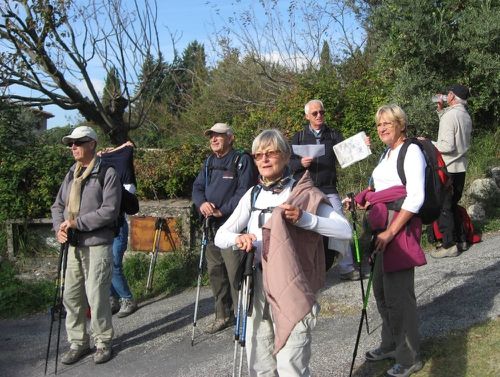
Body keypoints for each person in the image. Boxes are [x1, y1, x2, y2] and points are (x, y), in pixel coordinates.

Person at [215, 129, 352, 376]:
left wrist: (305, 218)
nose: (264, 160)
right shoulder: (253, 194)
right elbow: (220, 236)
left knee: (291, 364)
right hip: (256, 283)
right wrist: (240, 238)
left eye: (271, 153)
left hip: (292, 284)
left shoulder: (301, 193)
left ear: (286, 155)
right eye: (258, 155)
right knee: (259, 363)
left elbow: (344, 230)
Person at [351, 105, 426, 377]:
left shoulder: (411, 151)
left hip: (398, 228)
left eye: (388, 123)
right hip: (382, 227)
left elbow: (415, 197)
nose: (382, 128)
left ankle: (409, 358)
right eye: (379, 124)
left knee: (399, 296)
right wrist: (362, 199)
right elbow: (379, 189)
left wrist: (391, 232)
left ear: (401, 124)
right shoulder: (387, 153)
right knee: (382, 292)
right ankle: (391, 343)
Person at [51, 126, 122, 365]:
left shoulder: (107, 172)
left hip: (97, 243)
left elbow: (109, 211)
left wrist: (76, 223)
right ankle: (78, 343)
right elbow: (57, 206)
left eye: (78, 142)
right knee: (71, 296)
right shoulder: (72, 172)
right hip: (72, 244)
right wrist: (60, 228)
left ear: (92, 143)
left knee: (96, 295)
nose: (73, 147)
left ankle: (102, 342)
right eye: (70, 143)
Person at [289, 99, 366, 281]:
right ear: (307, 116)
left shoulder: (333, 134)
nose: (319, 116)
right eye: (315, 113)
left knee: (341, 225)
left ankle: (346, 268)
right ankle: (303, 271)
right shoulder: (298, 137)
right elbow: (288, 164)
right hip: (306, 190)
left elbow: (348, 155)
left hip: (329, 189)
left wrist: (363, 145)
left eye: (321, 112)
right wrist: (300, 163)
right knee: (302, 229)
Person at [191, 123, 257, 333]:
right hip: (211, 226)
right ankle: (222, 315)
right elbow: (197, 187)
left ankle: (243, 318)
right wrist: (202, 204)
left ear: (231, 137)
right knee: (216, 273)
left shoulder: (241, 160)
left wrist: (223, 210)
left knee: (235, 273)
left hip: (233, 227)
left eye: (218, 136)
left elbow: (244, 192)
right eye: (211, 136)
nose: (213, 139)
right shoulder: (209, 162)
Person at [430, 84, 472, 258]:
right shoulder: (465, 115)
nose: (446, 95)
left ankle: (448, 245)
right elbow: (454, 130)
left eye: (448, 93)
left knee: (443, 206)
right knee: (453, 204)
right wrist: (441, 112)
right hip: (460, 166)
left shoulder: (450, 116)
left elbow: (447, 146)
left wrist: (428, 142)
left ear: (452, 96)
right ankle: (461, 239)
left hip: (447, 167)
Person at [98, 141, 138, 317]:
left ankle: (127, 299)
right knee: (105, 264)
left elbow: (129, 146)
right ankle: (112, 299)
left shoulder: (125, 185)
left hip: (118, 226)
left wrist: (118, 149)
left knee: (114, 264)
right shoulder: (101, 175)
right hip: (103, 228)